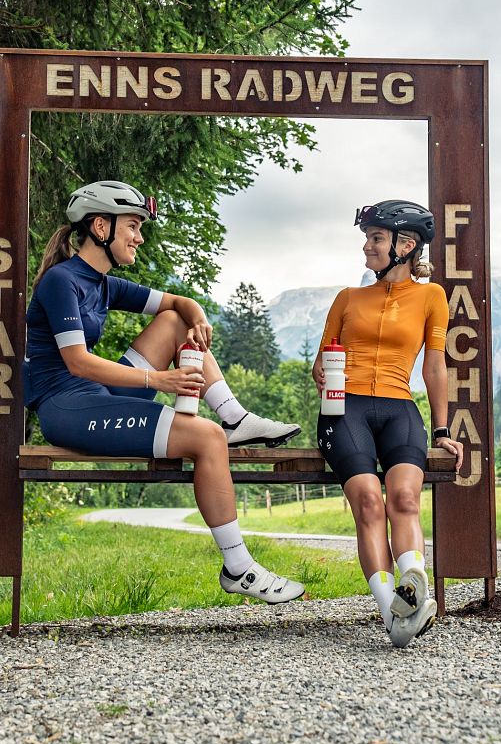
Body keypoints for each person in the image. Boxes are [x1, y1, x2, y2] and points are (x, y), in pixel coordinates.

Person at [24, 180, 303, 604]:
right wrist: (160, 381)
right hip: (67, 407)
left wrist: (199, 318)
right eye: (133, 227)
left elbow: (180, 303)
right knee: (206, 438)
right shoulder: (61, 281)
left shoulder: (101, 282)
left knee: (175, 322)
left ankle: (236, 418)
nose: (138, 237)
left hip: (96, 394)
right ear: (101, 226)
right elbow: (77, 362)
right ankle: (239, 568)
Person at [311, 200, 464, 647]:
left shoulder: (431, 297)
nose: (367, 246)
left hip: (399, 408)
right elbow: (322, 361)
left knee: (403, 497)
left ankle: (413, 579)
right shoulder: (347, 298)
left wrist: (442, 429)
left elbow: (435, 367)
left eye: (376, 238)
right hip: (346, 409)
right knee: (368, 503)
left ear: (405, 244)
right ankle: (393, 614)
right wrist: (321, 370)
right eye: (369, 237)